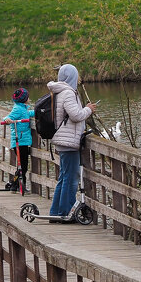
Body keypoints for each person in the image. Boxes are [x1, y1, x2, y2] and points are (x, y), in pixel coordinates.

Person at [47, 64, 97, 219]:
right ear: (72, 77)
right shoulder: (68, 93)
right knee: (70, 177)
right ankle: (66, 212)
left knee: (64, 176)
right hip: (68, 141)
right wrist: (88, 109)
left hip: (63, 139)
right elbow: (75, 115)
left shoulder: (58, 91)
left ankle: (56, 211)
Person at [1, 88, 33, 192]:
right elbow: (7, 117)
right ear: (24, 99)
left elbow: (28, 114)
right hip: (19, 141)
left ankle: (18, 185)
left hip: (23, 141)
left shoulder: (23, 108)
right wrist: (7, 120)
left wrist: (39, 112)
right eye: (28, 97)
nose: (29, 98)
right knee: (22, 166)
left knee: (23, 166)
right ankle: (17, 184)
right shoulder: (18, 109)